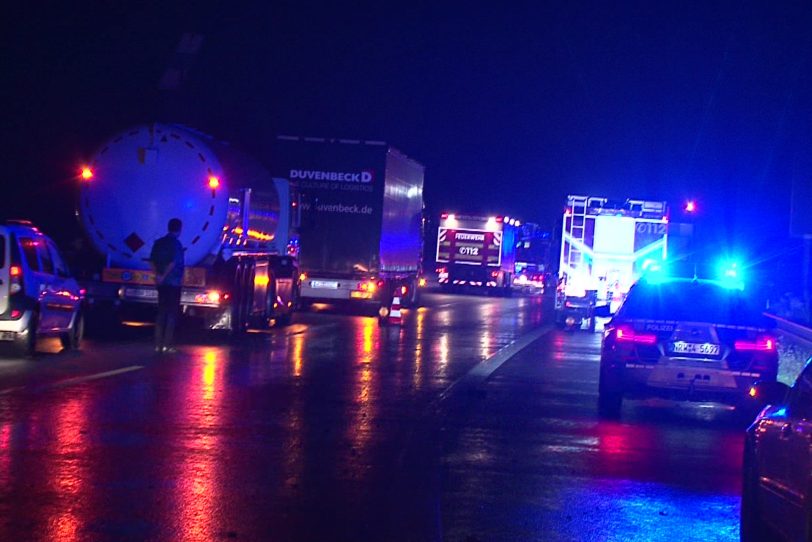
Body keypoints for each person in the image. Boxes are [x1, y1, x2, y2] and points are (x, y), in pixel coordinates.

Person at [149, 218, 184, 353]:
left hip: (161, 284)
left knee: (161, 312)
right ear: (179, 229)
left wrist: (158, 276)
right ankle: (167, 345)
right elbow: (173, 262)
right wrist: (164, 276)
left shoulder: (158, 243)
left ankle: (157, 345)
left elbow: (151, 261)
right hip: (173, 283)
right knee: (171, 314)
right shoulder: (176, 244)